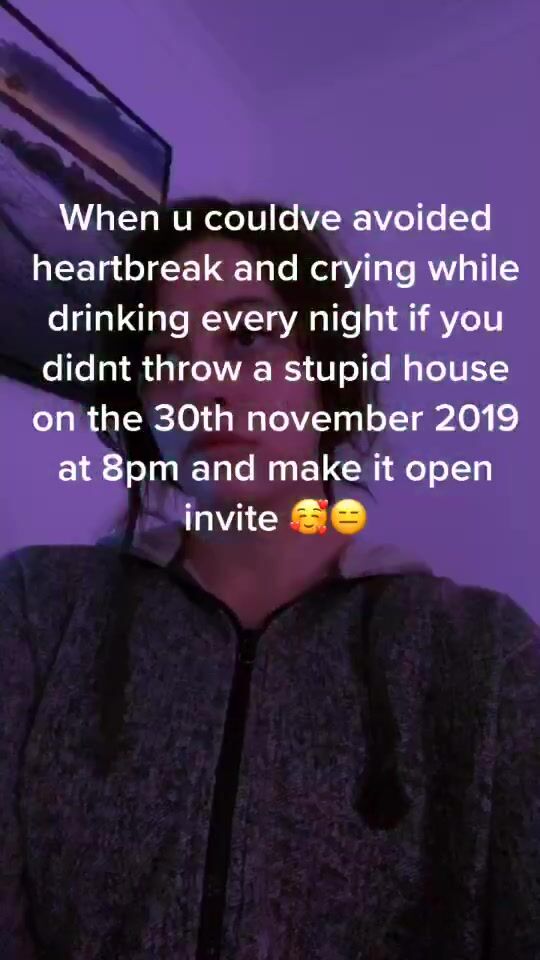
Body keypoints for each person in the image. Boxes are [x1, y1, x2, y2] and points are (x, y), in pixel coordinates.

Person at [1, 198, 538, 960]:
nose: (203, 386)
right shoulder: (37, 612)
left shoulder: (484, 659)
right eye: (164, 358)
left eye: (248, 336)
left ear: (328, 371)